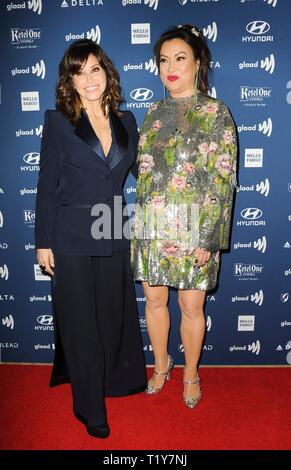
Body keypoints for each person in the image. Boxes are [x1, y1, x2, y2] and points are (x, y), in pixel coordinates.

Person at [35, 39, 147, 438]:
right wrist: (43, 241)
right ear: (70, 80)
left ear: (107, 72)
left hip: (114, 228)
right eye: (78, 72)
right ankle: (89, 407)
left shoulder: (128, 121)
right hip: (69, 236)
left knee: (111, 319)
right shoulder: (58, 121)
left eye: (94, 69)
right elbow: (47, 183)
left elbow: (145, 176)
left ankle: (112, 382)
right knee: (81, 323)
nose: (88, 79)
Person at [131, 25, 237, 409]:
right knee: (154, 302)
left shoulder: (216, 112)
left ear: (198, 63)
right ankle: (161, 365)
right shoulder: (152, 112)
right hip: (151, 226)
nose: (170, 68)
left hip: (195, 227)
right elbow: (143, 171)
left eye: (180, 58)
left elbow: (223, 178)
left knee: (192, 307)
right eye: (163, 60)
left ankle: (190, 372)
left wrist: (209, 237)